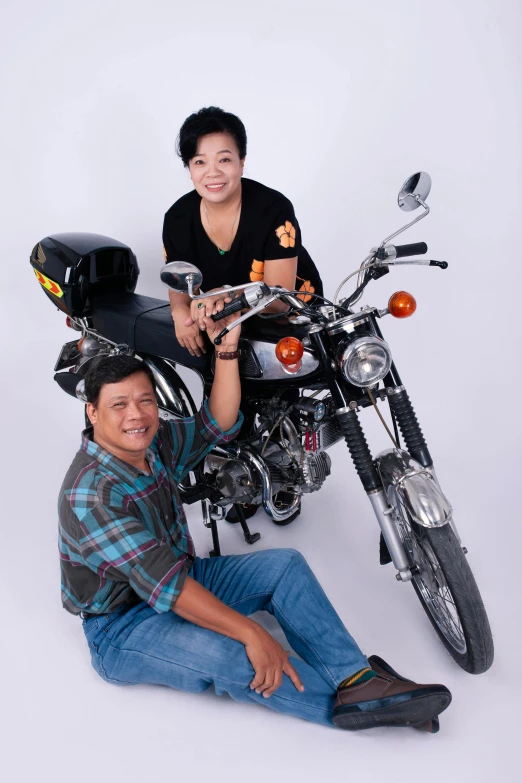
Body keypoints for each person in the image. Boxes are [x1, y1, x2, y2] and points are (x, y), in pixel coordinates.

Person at [58, 311, 451, 732]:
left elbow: (218, 423)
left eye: (145, 401)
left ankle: (360, 681)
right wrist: (251, 632)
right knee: (239, 658)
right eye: (119, 405)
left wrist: (227, 350)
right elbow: (167, 588)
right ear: (93, 413)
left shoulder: (153, 444)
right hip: (122, 624)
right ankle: (363, 711)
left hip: (181, 575)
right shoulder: (90, 497)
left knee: (284, 567)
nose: (136, 415)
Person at [163, 106, 323, 358]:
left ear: (242, 162)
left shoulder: (272, 209)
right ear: (189, 168)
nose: (212, 172)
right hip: (226, 319)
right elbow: (179, 280)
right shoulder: (177, 219)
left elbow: (278, 299)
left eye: (224, 159)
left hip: (291, 322)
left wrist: (224, 294)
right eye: (200, 161)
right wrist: (180, 312)